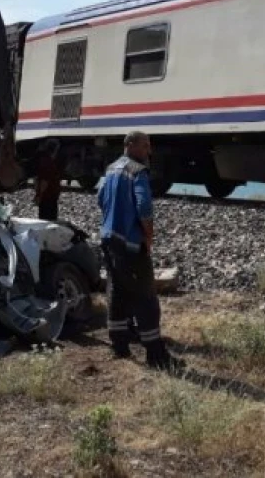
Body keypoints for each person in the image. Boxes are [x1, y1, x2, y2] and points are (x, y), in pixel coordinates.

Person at [97, 130, 181, 370]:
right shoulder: (137, 172)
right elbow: (144, 207)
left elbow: (100, 199)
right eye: (145, 146)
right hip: (131, 244)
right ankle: (156, 354)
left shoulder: (111, 169)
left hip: (108, 238)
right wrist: (149, 236)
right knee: (145, 298)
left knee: (117, 291)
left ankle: (119, 346)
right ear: (131, 145)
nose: (149, 151)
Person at [33, 139, 62, 221]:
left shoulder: (43, 160)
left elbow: (36, 179)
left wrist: (37, 193)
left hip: (47, 198)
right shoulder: (48, 163)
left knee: (44, 219)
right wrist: (39, 195)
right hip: (48, 198)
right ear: (55, 150)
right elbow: (44, 181)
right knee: (48, 220)